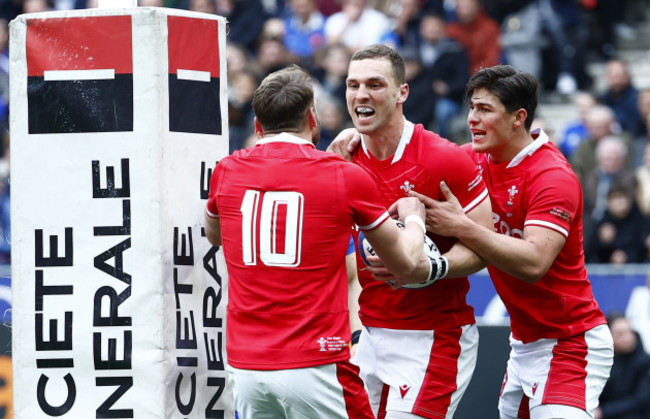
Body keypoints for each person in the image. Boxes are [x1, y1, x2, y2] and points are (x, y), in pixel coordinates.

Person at [203, 65, 436, 418]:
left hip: (246, 367)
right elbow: (405, 263)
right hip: (316, 362)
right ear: (313, 118)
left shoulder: (227, 169)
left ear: (256, 125)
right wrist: (415, 216)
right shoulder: (343, 175)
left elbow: (214, 234)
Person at [408, 64, 614, 419]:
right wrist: (358, 141)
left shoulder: (552, 175)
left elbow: (534, 263)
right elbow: (416, 160)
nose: (472, 118)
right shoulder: (474, 160)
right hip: (524, 344)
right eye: (472, 107)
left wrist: (462, 226)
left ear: (519, 117)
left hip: (570, 342)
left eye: (485, 109)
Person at [329, 44, 493, 418]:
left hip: (436, 337)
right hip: (369, 335)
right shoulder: (342, 160)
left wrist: (429, 269)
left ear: (402, 92)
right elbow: (346, 263)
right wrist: (354, 334)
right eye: (353, 85)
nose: (361, 95)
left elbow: (486, 246)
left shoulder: (444, 158)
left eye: (375, 84)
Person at [596, 312, 650, 419]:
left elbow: (641, 401)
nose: (627, 338)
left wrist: (604, 412)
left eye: (628, 331)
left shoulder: (646, 362)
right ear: (609, 337)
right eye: (620, 333)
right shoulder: (602, 362)